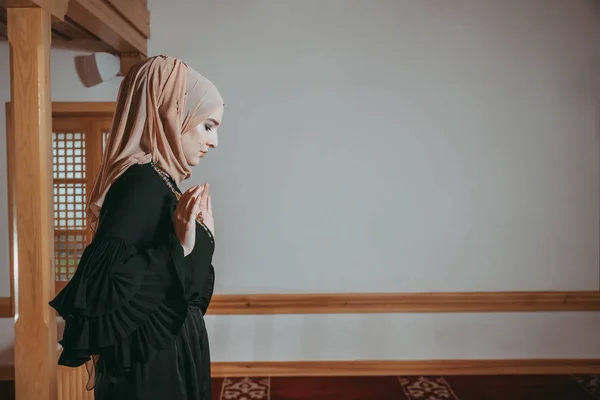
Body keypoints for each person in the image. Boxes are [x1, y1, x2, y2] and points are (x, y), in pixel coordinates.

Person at [49, 54, 224, 400]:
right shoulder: (139, 183)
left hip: (173, 353)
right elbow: (99, 289)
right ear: (171, 114)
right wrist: (181, 248)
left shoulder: (161, 182)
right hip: (151, 366)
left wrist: (197, 245)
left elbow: (183, 296)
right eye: (208, 126)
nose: (214, 142)